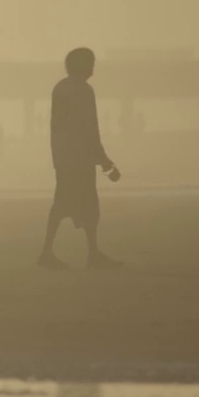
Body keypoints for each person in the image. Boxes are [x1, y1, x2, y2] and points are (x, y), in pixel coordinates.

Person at [38, 47, 122, 270]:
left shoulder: (60, 88)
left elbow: (59, 128)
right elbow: (88, 129)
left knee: (62, 205)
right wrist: (104, 161)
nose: (93, 68)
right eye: (90, 63)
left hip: (64, 159)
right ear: (81, 65)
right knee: (89, 207)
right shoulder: (83, 90)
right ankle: (88, 254)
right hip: (80, 160)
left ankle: (50, 252)